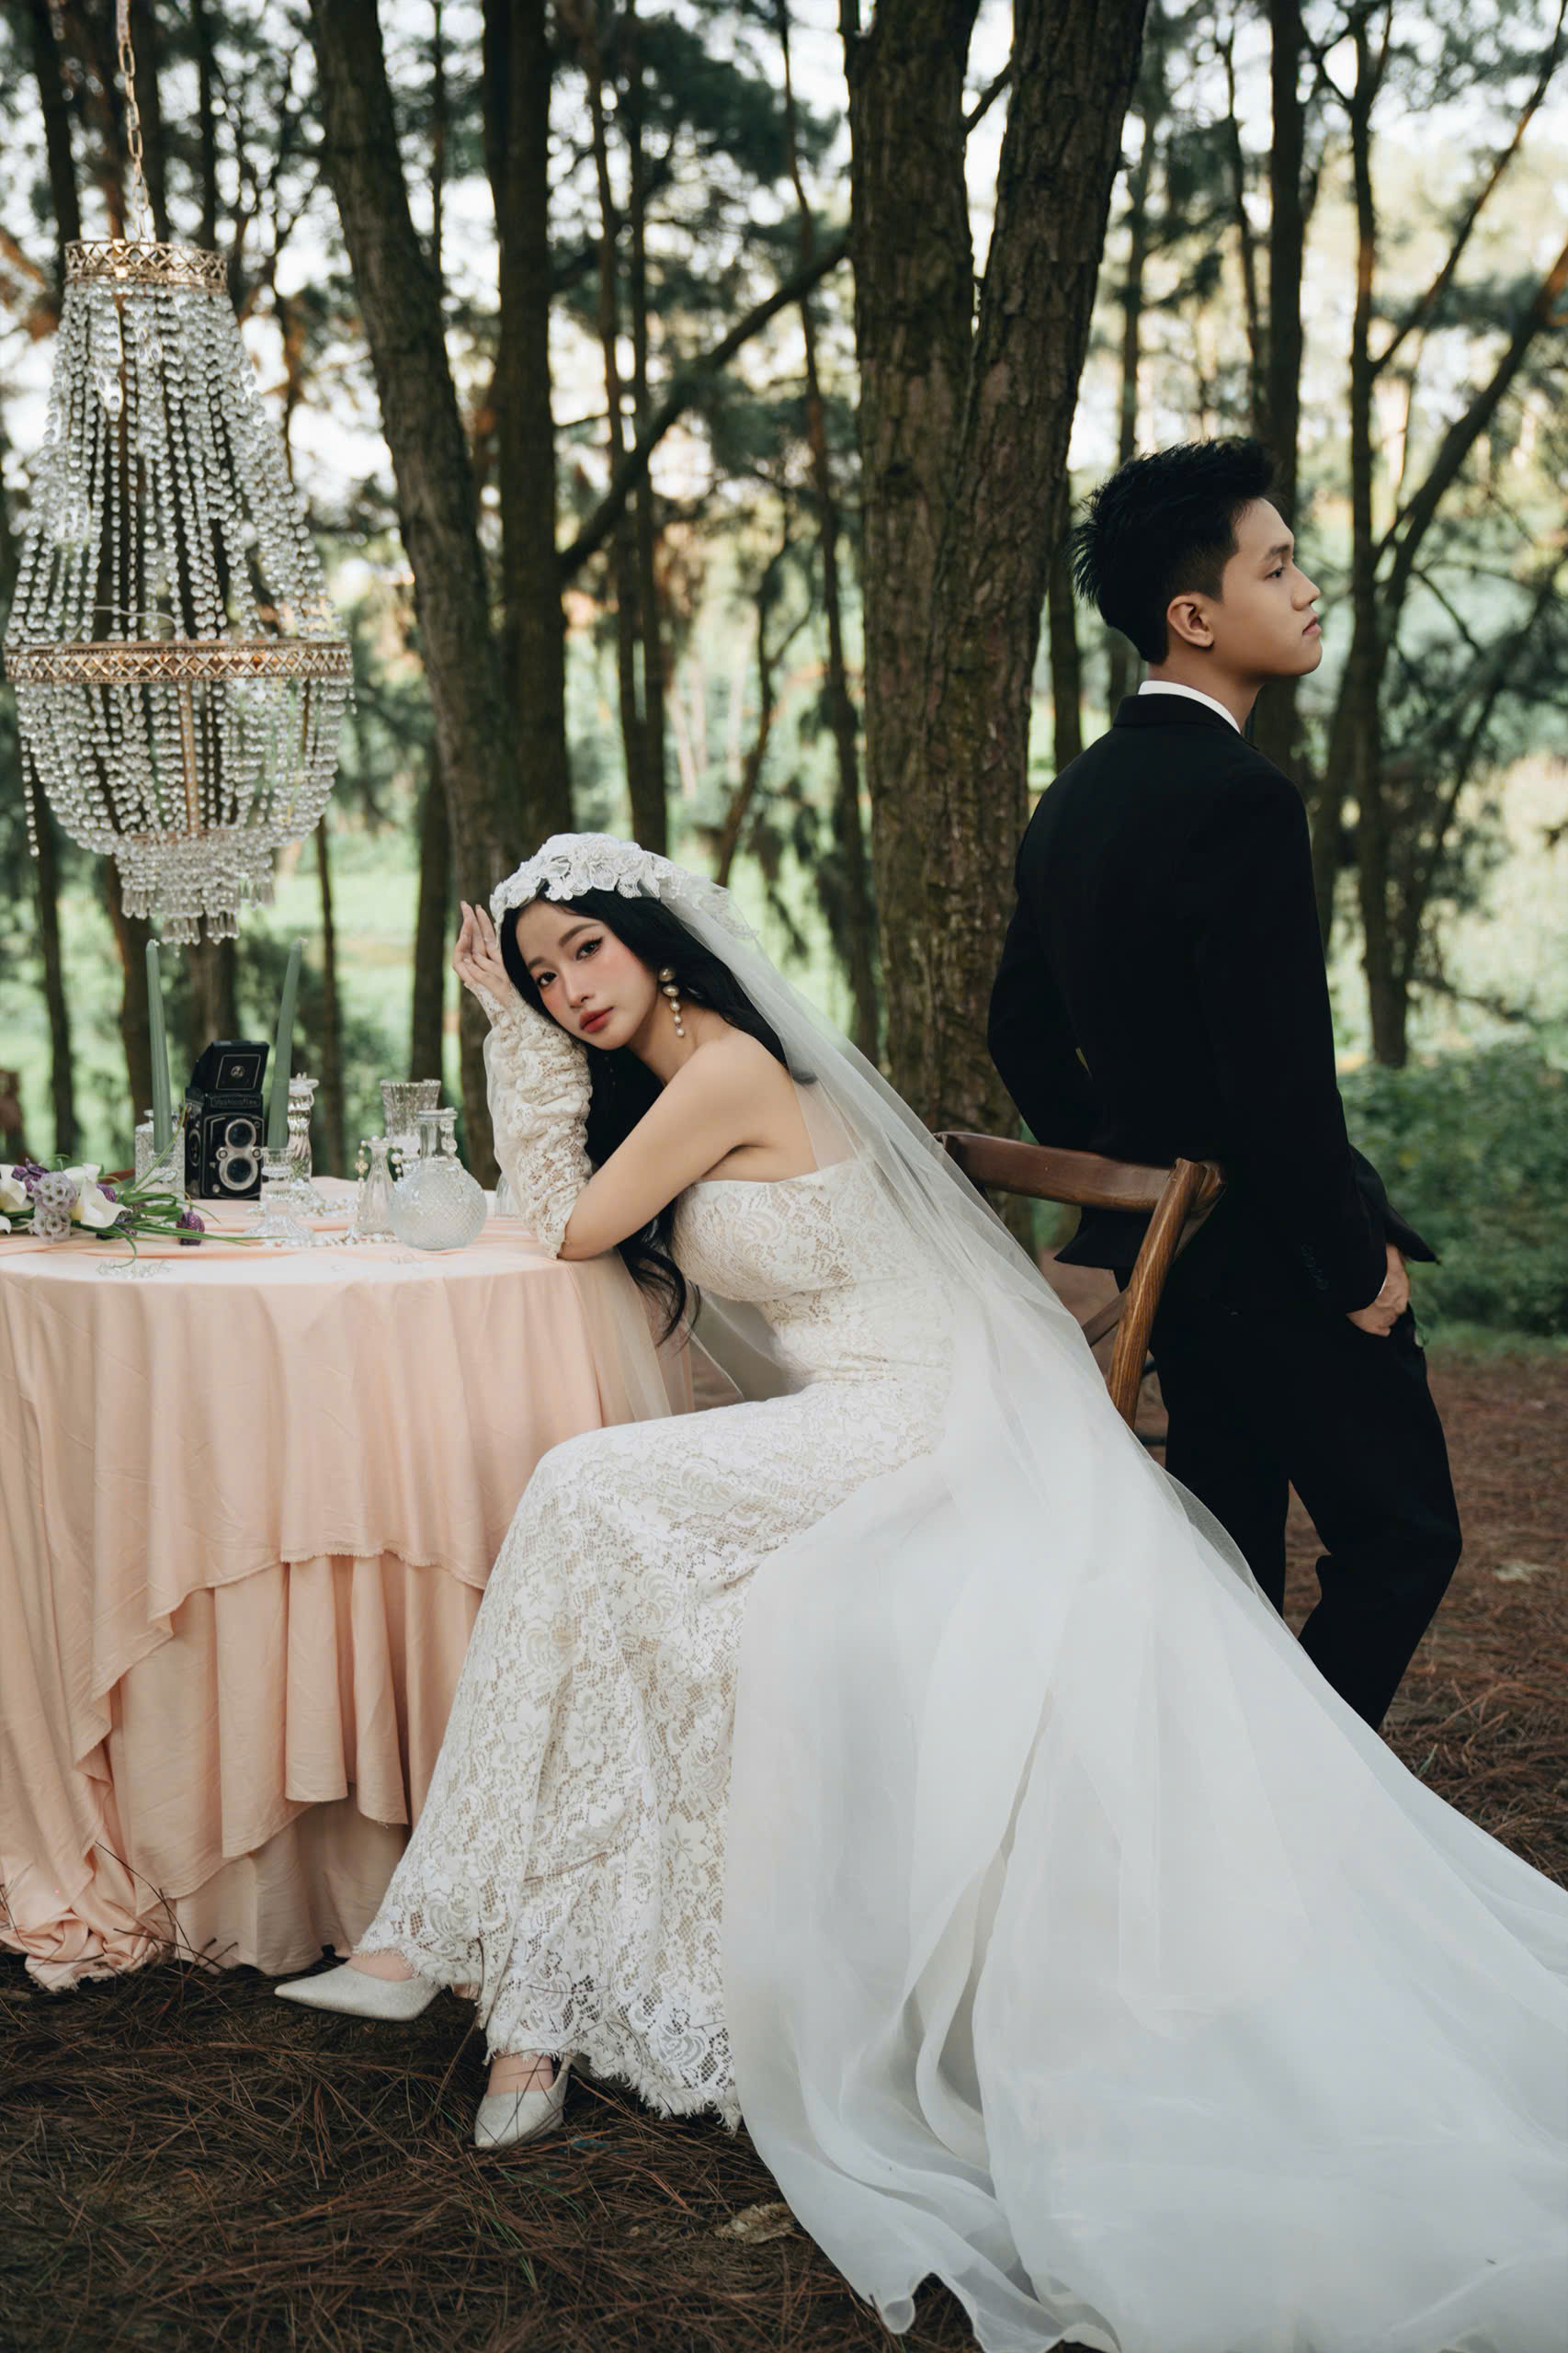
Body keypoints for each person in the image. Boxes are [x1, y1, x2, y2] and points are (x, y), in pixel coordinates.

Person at [278, 833, 1565, 2353]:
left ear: (658, 946)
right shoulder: (677, 1077)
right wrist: (535, 1044)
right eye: (541, 976)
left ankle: (441, 1946)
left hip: (918, 1413)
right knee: (618, 1550)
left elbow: (561, 1222)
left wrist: (509, 1038)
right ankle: (531, 2009)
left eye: (584, 954)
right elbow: (563, 1210)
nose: (567, 992)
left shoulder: (726, 1070)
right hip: (859, 1409)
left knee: (581, 1488)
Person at [989, 438, 1461, 1731]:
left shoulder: (1071, 798)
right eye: (1277, 566)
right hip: (1272, 1252)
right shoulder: (1242, 799)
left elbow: (1017, 1029)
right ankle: (1307, 1799)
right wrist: (1352, 1264)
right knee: (1402, 1536)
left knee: (1231, 1553)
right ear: (1193, 617)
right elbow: (1278, 1080)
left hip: (1171, 1251)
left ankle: (1226, 1808)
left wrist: (1141, 1177)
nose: (1307, 589)